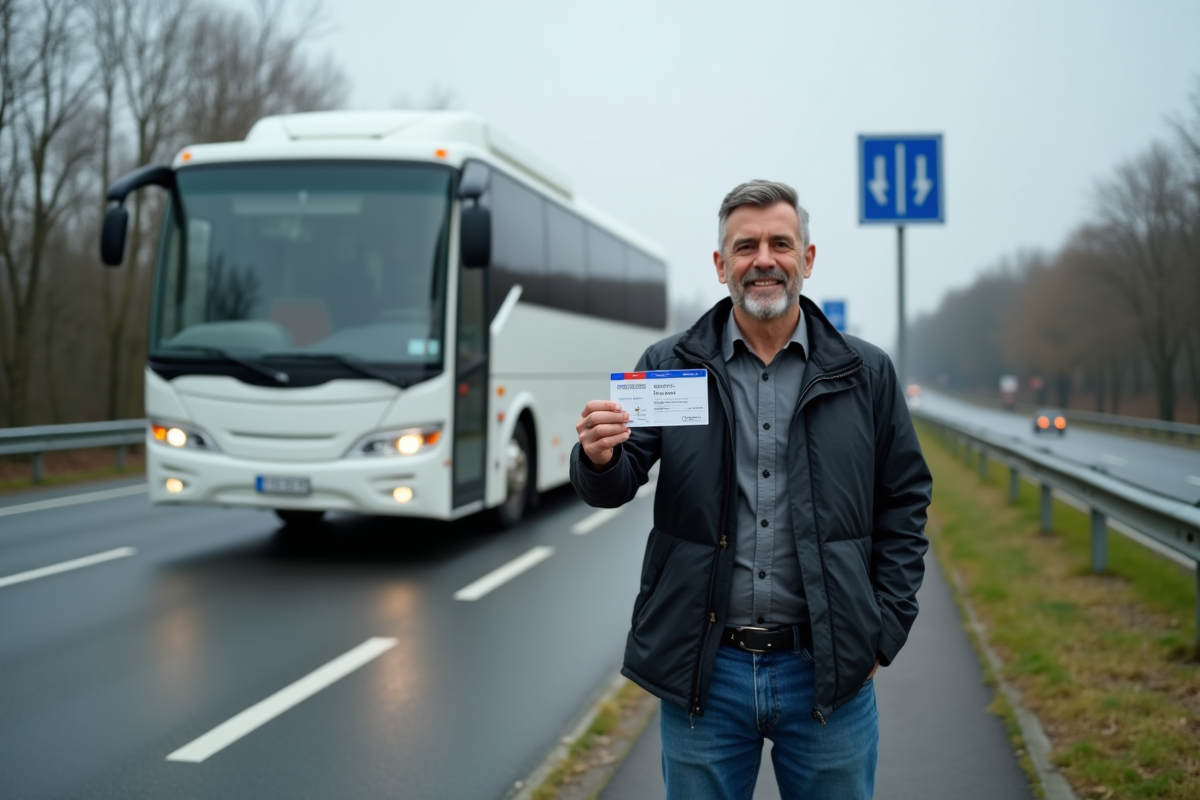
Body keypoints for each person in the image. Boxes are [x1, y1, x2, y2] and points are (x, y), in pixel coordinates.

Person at [571, 180, 932, 799]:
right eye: (745, 246)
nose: (763, 259)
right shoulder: (669, 363)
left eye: (780, 243)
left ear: (807, 260)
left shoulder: (864, 373)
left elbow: (905, 502)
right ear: (721, 266)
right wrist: (598, 458)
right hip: (707, 675)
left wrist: (884, 629)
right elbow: (618, 478)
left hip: (828, 672)